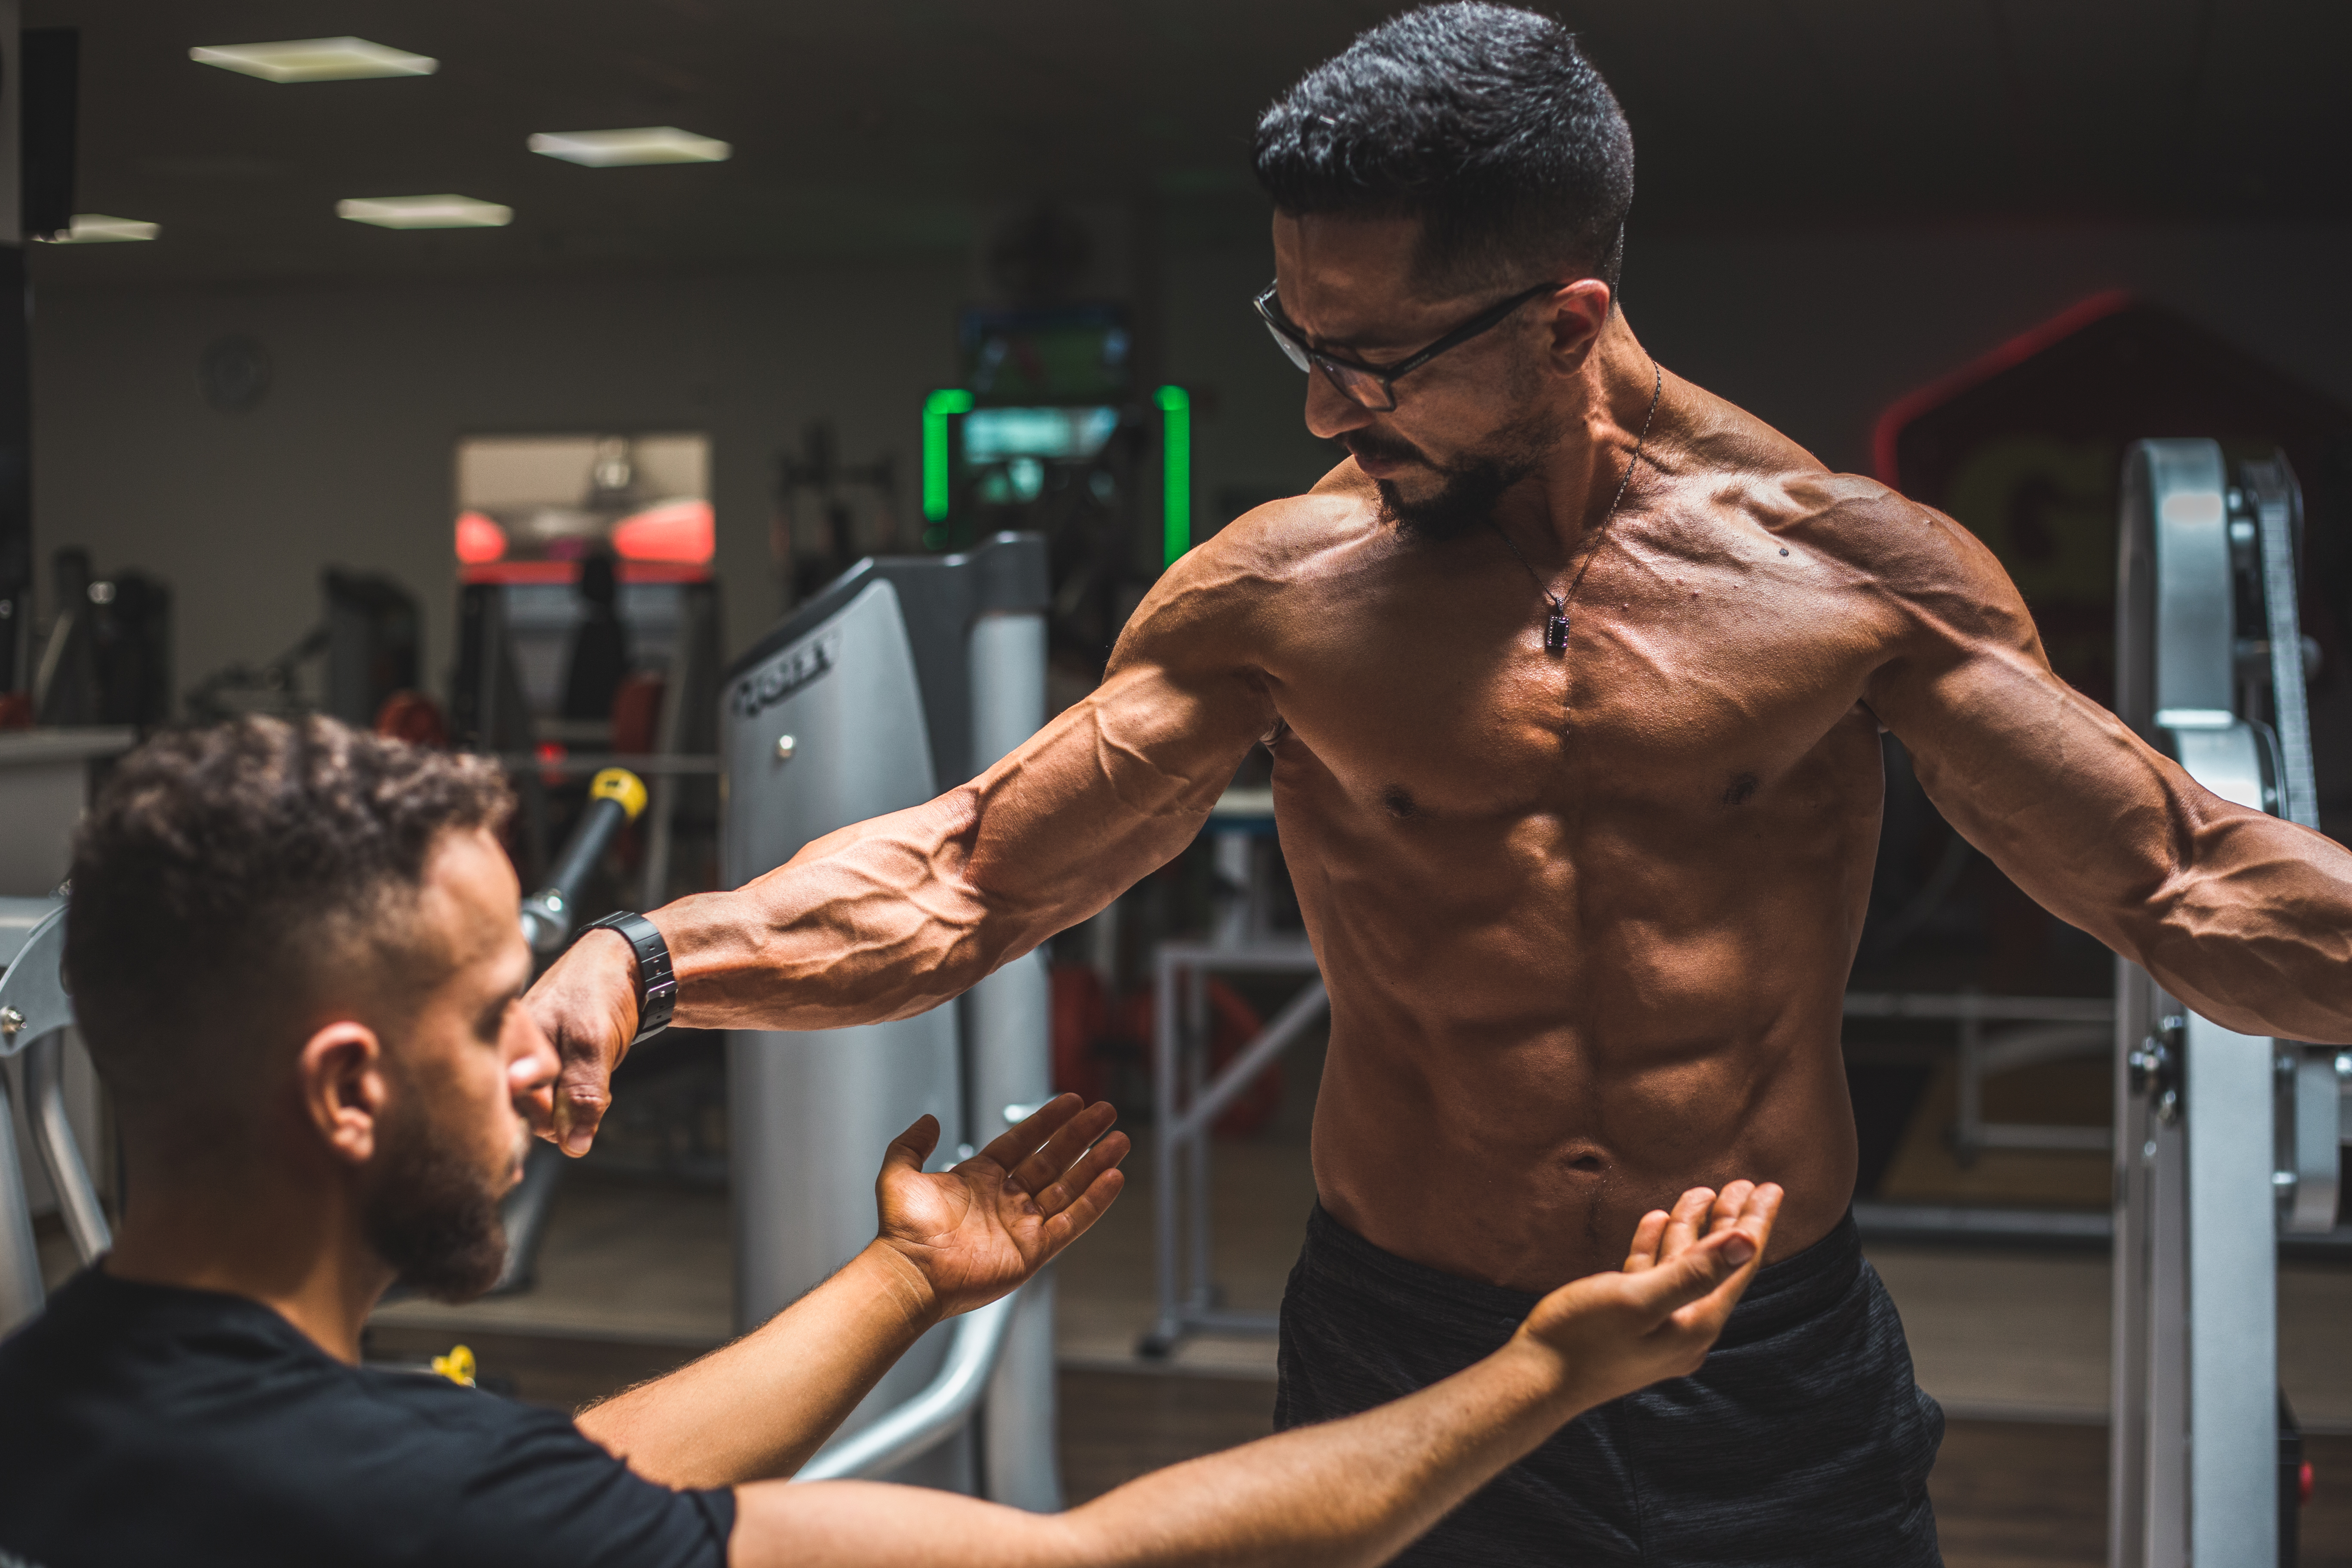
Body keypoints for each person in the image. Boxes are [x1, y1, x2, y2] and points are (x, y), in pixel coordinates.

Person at [524, 6, 2352, 1564]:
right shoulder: (1278, 600)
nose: (1325, 413)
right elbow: (970, 879)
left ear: (1568, 322)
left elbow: (2182, 881)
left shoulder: (1849, 578)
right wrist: (643, 960)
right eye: (1300, 345)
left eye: (1375, 363)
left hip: (1759, 1355)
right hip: (1405, 1350)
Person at [0, 715, 1782, 1568]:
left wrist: (907, 1277)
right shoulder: (419, 1509)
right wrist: (1551, 1373)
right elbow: (1111, 1562)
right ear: (343, 1093)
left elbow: (589, 1473)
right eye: (488, 1022)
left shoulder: (81, 1401)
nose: (538, 1069)